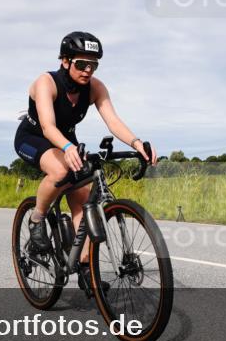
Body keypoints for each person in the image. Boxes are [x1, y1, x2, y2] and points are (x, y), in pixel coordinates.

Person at [14, 32, 158, 296]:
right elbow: (47, 126)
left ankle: (83, 268)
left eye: (94, 65)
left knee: (83, 200)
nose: (88, 70)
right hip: (34, 137)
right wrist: (67, 147)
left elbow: (113, 121)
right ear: (65, 61)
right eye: (82, 64)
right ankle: (37, 219)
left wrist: (137, 144)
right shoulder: (46, 82)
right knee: (60, 169)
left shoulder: (95, 87)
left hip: (66, 139)